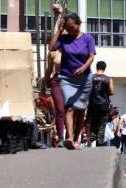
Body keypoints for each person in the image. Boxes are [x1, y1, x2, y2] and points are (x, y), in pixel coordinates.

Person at [49, 9, 96, 150]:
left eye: (72, 27)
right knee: (69, 107)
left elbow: (91, 56)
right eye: (67, 28)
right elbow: (51, 48)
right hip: (66, 78)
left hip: (85, 78)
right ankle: (69, 137)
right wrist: (59, 31)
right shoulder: (64, 38)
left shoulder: (88, 38)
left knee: (81, 109)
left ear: (79, 24)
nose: (70, 30)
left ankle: (76, 139)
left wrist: (83, 67)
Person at [88, 61, 114, 146]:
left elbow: (86, 90)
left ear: (96, 67)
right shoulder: (108, 79)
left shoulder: (90, 78)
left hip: (92, 105)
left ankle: (91, 141)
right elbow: (112, 92)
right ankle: (99, 143)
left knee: (93, 124)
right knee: (102, 126)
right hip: (104, 106)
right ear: (104, 68)